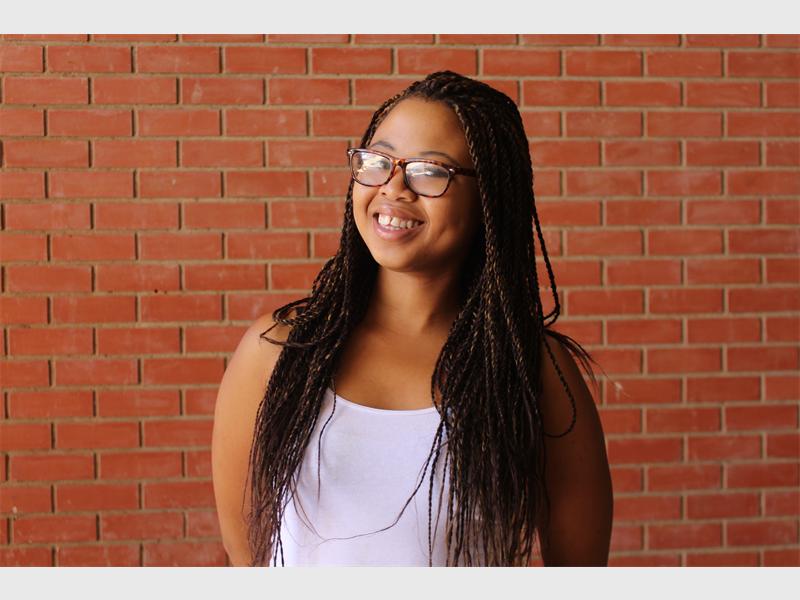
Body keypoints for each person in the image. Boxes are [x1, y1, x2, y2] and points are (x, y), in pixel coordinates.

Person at [211, 70, 613, 567]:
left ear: (488, 197)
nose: (394, 187)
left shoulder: (533, 371)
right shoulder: (277, 351)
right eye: (378, 162)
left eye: (429, 170)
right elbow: (246, 556)